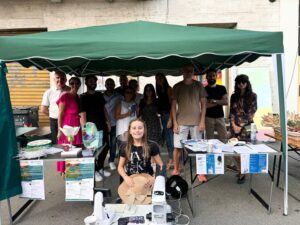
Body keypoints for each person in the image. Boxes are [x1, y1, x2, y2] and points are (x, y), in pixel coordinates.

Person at [172, 64, 207, 182]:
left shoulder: (199, 85)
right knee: (177, 148)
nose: (188, 72)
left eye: (191, 71)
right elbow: (173, 106)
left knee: (199, 148)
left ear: (193, 72)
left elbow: (204, 104)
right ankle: (176, 170)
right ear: (182, 71)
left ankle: (201, 172)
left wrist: (202, 121)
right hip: (181, 121)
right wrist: (175, 123)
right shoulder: (177, 86)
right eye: (186, 70)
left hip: (197, 122)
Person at [80, 75, 111, 182]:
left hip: (102, 124)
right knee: (92, 150)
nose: (93, 83)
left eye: (95, 81)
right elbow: (82, 114)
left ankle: (100, 168)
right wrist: (85, 129)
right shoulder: (83, 97)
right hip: (90, 128)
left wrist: (108, 122)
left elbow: (104, 109)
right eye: (91, 81)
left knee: (105, 147)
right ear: (86, 83)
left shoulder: (99, 95)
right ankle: (94, 171)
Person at [118, 118, 163, 188]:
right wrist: (125, 177)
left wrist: (154, 178)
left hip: (147, 181)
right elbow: (120, 167)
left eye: (140, 128)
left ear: (144, 130)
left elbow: (161, 165)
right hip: (131, 181)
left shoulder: (152, 145)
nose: (137, 130)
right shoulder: (124, 146)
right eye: (134, 128)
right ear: (129, 131)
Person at [229, 74, 257, 184]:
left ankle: (243, 172)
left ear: (247, 83)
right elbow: (231, 112)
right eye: (239, 82)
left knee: (244, 150)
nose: (241, 84)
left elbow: (252, 113)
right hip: (234, 126)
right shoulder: (233, 96)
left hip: (247, 127)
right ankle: (242, 168)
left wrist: (240, 126)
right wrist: (232, 125)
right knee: (232, 149)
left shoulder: (253, 96)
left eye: (243, 82)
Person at [41, 71, 70, 144]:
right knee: (57, 141)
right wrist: (54, 115)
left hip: (68, 120)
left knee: (69, 141)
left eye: (62, 78)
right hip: (54, 121)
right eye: (57, 78)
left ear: (66, 80)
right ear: (54, 79)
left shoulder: (70, 91)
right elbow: (43, 109)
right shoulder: (48, 92)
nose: (60, 80)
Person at [103, 78, 123, 170]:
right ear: (105, 85)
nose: (110, 85)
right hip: (104, 123)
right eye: (108, 84)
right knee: (104, 144)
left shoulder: (119, 96)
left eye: (111, 84)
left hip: (115, 123)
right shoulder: (101, 96)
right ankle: (101, 162)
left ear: (114, 85)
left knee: (113, 143)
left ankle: (111, 161)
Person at [155, 73, 174, 169]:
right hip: (162, 117)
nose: (159, 80)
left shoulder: (169, 89)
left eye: (161, 78)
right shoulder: (159, 91)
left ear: (164, 79)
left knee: (171, 139)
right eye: (157, 78)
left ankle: (172, 160)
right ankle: (172, 159)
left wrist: (171, 119)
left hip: (169, 116)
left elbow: (173, 105)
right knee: (167, 139)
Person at [57, 77, 82, 145]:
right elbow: (60, 114)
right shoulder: (65, 96)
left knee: (77, 146)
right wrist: (59, 131)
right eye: (72, 83)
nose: (74, 85)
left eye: (77, 83)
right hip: (68, 125)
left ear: (80, 85)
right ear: (69, 84)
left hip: (76, 125)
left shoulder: (78, 97)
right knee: (68, 147)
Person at [205, 69, 228, 139]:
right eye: (210, 76)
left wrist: (214, 101)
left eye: (213, 76)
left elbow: (226, 102)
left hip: (220, 117)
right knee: (209, 140)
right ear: (206, 77)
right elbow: (205, 105)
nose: (212, 77)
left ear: (216, 76)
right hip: (208, 118)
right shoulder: (204, 89)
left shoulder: (222, 88)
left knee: (224, 138)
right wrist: (220, 101)